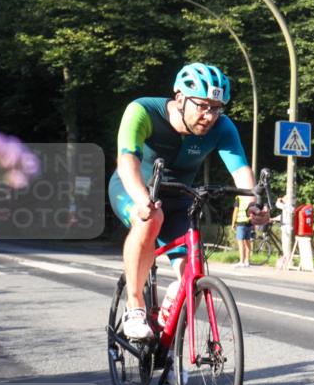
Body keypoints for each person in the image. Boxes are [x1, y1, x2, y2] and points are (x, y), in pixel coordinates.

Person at [108, 63, 268, 342]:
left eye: (217, 108)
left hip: (180, 198)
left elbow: (241, 171)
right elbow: (127, 161)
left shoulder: (222, 127)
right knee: (150, 219)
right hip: (132, 187)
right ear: (179, 98)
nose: (210, 116)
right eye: (203, 106)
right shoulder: (143, 111)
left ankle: (169, 348)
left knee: (193, 273)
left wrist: (252, 204)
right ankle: (135, 307)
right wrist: (142, 198)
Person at [231, 194, 254, 267]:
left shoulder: (239, 197)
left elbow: (236, 210)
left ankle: (241, 261)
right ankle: (247, 261)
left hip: (241, 222)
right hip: (249, 223)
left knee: (241, 243)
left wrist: (233, 223)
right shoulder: (250, 196)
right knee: (247, 242)